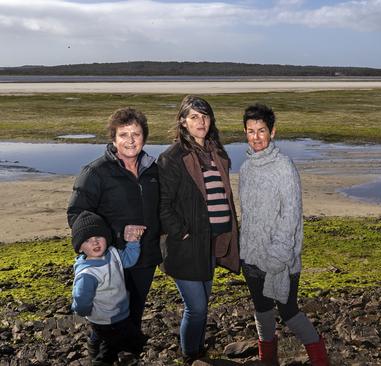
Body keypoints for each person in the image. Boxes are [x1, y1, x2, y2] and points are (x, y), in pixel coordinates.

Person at [239, 103, 330, 366]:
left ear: (273, 132)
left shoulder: (284, 167)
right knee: (262, 310)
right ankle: (267, 357)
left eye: (262, 130)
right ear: (245, 132)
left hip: (281, 260)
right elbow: (250, 215)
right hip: (252, 258)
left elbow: (290, 216)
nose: (256, 137)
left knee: (289, 311)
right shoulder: (245, 168)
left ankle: (319, 356)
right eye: (251, 131)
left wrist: (277, 258)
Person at [67, 107, 161, 355]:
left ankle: (127, 354)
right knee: (105, 313)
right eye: (124, 134)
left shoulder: (153, 169)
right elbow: (77, 215)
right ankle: (99, 351)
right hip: (111, 258)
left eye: (136, 134)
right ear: (113, 139)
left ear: (144, 137)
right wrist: (109, 242)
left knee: (134, 310)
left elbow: (163, 208)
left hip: (146, 255)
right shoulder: (95, 172)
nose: (130, 140)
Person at [157, 95, 240, 363]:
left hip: (211, 243)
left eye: (204, 116)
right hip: (185, 245)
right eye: (194, 116)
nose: (200, 121)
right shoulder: (172, 157)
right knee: (197, 307)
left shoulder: (218, 153)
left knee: (202, 304)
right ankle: (190, 355)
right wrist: (181, 231)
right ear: (183, 122)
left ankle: (197, 348)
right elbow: (162, 203)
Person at [71, 210, 147, 365]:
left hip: (120, 312)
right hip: (105, 319)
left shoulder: (112, 253)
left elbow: (128, 260)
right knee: (109, 351)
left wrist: (133, 242)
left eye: (98, 237)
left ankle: (95, 342)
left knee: (126, 337)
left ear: (106, 237)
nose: (95, 242)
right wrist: (86, 312)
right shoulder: (88, 273)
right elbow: (81, 299)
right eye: (87, 240)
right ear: (80, 248)